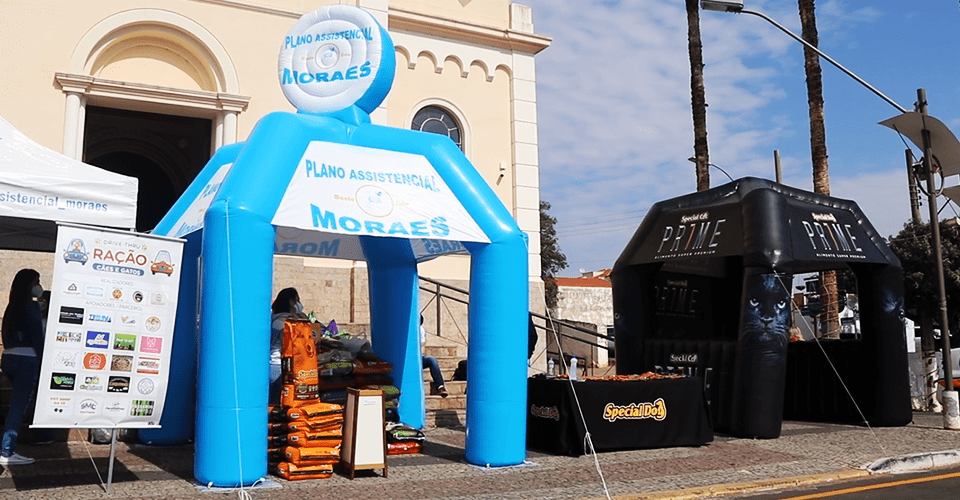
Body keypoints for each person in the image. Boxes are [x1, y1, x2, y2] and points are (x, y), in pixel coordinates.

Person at [1, 269, 46, 465]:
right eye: (37, 281)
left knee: (17, 406)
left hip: (9, 358)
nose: (39, 286)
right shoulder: (31, 307)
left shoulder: (12, 307)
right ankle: (7, 451)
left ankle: (8, 445)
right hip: (26, 360)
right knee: (20, 407)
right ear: (29, 285)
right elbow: (38, 337)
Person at [269, 287, 307, 404]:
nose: (299, 304)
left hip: (271, 366)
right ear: (291, 302)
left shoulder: (272, 319)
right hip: (280, 367)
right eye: (297, 300)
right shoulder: (285, 322)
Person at [420, 315, 447, 398]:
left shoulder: (420, 330)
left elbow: (423, 345)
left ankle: (440, 386)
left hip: (418, 358)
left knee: (432, 360)